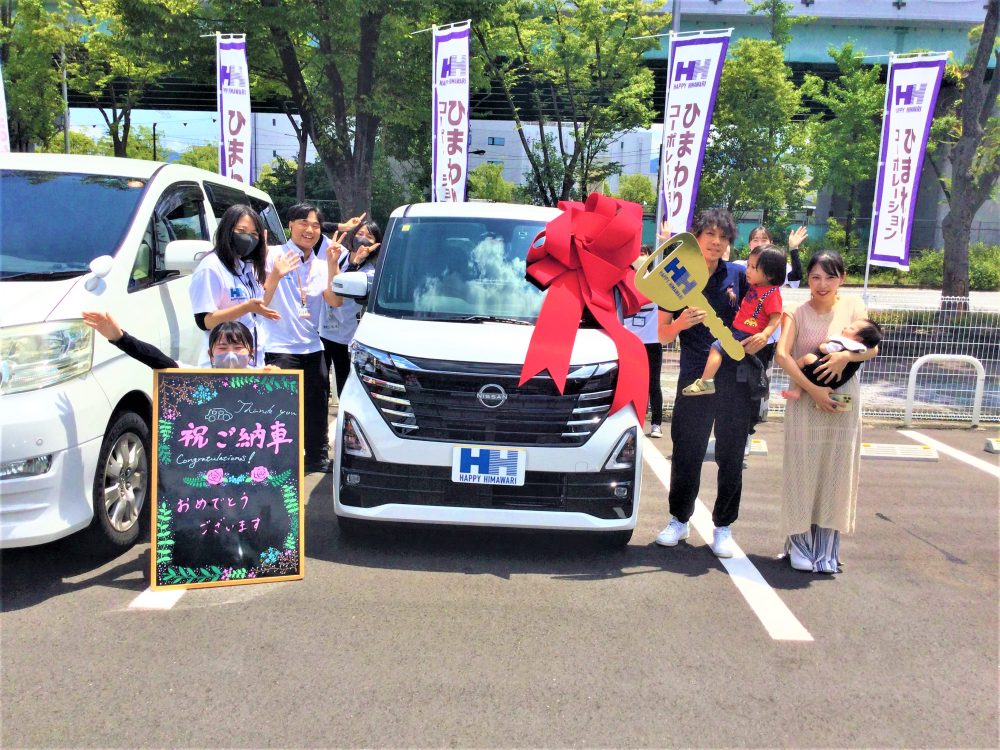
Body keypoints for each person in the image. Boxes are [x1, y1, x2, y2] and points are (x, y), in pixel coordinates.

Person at [654, 208, 764, 559]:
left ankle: (724, 527)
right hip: (694, 376)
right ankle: (679, 519)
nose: (716, 242)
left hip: (735, 377)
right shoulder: (677, 276)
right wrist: (681, 323)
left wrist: (761, 336)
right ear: (696, 237)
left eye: (723, 236)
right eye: (710, 235)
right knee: (687, 450)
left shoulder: (739, 275)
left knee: (731, 455)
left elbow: (763, 314)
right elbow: (662, 333)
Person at [774, 250, 878, 573]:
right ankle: (800, 545)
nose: (822, 285)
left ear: (842, 278)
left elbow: (872, 347)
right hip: (806, 403)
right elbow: (782, 355)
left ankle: (826, 550)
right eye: (816, 277)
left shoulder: (854, 307)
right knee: (802, 472)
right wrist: (813, 389)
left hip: (843, 404)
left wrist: (846, 357)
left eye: (830, 277)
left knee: (835, 472)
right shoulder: (795, 311)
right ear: (807, 278)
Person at [261, 203, 337, 474]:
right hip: (279, 346)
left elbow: (335, 301)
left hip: (313, 346)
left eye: (315, 225)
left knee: (317, 406)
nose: (309, 230)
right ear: (290, 224)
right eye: (304, 223)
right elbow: (260, 300)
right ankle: (277, 460)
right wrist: (275, 274)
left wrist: (333, 264)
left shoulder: (321, 265)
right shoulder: (272, 255)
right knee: (279, 409)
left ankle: (316, 457)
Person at [682, 244, 786, 396]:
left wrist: (765, 335)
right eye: (748, 265)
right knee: (738, 360)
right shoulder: (756, 286)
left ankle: (705, 382)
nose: (747, 270)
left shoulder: (771, 293)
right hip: (739, 330)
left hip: (746, 334)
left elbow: (776, 317)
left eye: (753, 267)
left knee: (716, 347)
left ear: (769, 274)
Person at [188, 204, 283, 367]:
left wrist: (276, 276)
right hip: (223, 365)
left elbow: (257, 306)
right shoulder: (211, 267)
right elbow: (205, 321)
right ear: (227, 230)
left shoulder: (246, 267)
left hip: (250, 362)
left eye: (254, 234)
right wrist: (245, 308)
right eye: (241, 231)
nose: (248, 238)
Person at [320, 217, 383, 395]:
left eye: (369, 236)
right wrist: (342, 226)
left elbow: (342, 288)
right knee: (319, 384)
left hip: (343, 335)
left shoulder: (370, 273)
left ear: (376, 244)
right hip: (319, 330)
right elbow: (316, 227)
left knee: (345, 385)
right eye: (359, 233)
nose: (363, 239)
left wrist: (355, 263)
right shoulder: (336, 252)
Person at [82, 311, 264, 371]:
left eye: (238, 347)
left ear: (251, 353)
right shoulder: (195, 378)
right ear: (210, 354)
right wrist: (120, 338)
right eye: (223, 348)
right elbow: (156, 359)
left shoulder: (267, 380)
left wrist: (276, 377)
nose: (230, 354)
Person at [781, 318, 883, 401]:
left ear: (858, 339)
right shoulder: (861, 349)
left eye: (851, 328)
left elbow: (825, 349)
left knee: (806, 359)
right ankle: (798, 391)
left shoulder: (843, 342)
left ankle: (797, 390)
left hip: (824, 372)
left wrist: (822, 345)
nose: (845, 327)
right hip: (837, 382)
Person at [625, 245, 665, 438]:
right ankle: (632, 421)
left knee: (653, 384)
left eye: (644, 254)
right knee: (629, 383)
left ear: (650, 257)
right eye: (637, 254)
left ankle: (656, 423)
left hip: (651, 341)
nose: (640, 257)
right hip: (629, 341)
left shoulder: (657, 281)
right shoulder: (624, 280)